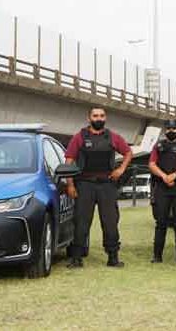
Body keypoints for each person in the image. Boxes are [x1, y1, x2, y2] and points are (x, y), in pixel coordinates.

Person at [64, 106, 132, 268]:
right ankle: (76, 258)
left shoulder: (113, 137)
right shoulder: (79, 137)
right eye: (95, 116)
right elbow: (68, 161)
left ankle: (113, 257)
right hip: (84, 184)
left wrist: (120, 169)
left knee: (110, 222)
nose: (99, 118)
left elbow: (128, 152)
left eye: (102, 116)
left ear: (105, 118)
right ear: (89, 118)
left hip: (107, 184)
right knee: (81, 222)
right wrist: (70, 185)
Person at [149, 119, 176, 264]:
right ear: (165, 130)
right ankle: (157, 256)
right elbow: (152, 164)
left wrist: (175, 175)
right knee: (160, 222)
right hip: (162, 188)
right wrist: (164, 177)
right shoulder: (159, 146)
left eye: (174, 128)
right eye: (169, 128)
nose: (171, 131)